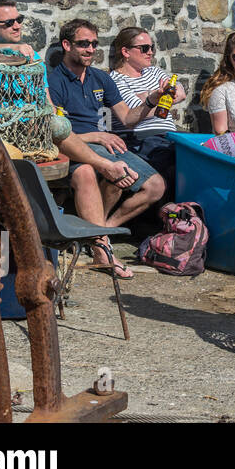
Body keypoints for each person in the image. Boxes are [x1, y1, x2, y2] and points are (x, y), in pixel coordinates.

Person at [47, 19, 166, 278]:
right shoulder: (53, 81)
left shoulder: (100, 77)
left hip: (105, 145)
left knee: (155, 187)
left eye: (93, 44)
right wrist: (97, 136)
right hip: (74, 146)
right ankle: (102, 248)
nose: (90, 49)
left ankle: (99, 234)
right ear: (66, 45)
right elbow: (55, 131)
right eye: (83, 44)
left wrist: (151, 101)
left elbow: (127, 118)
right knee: (105, 173)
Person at [109, 26, 184, 199]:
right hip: (142, 137)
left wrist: (148, 98)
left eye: (152, 48)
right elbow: (135, 113)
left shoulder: (154, 71)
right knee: (174, 162)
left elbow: (180, 92)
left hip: (170, 134)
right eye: (144, 48)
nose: (150, 52)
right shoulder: (115, 80)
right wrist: (155, 98)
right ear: (126, 52)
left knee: (196, 156)